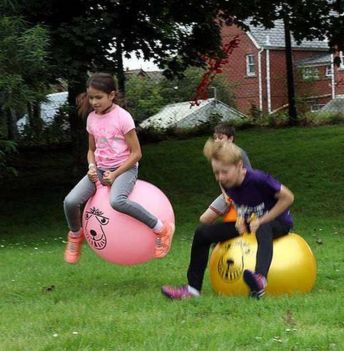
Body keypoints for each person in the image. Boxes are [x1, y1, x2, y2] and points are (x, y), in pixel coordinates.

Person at [62, 72, 174, 264]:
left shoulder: (123, 118)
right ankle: (75, 235)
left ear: (111, 95)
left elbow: (136, 153)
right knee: (70, 202)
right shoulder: (91, 118)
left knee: (117, 201)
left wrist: (115, 174)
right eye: (91, 98)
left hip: (124, 168)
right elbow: (91, 150)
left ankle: (161, 228)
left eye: (99, 97)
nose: (94, 102)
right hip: (99, 169)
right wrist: (91, 166)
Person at [162, 140, 294, 299]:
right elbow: (241, 202)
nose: (220, 177)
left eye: (224, 172)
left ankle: (260, 280)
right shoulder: (226, 183)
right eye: (216, 173)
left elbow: (288, 197)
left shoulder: (259, 179)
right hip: (251, 223)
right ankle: (192, 290)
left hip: (277, 223)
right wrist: (240, 218)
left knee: (262, 226)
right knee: (202, 233)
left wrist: (263, 219)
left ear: (239, 166)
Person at [198, 123, 252, 224]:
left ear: (230, 139)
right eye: (215, 138)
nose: (217, 140)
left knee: (243, 221)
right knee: (204, 219)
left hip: (243, 194)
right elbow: (220, 179)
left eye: (220, 137)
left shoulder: (239, 153)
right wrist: (225, 195)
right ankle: (219, 238)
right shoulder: (217, 156)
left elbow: (249, 176)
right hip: (228, 194)